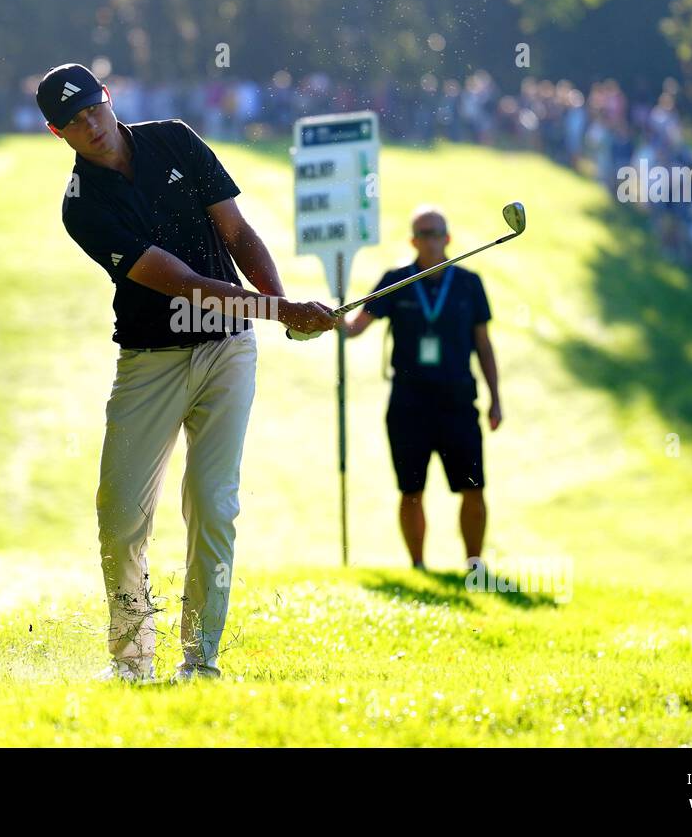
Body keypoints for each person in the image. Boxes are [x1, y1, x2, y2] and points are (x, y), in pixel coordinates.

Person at [36, 63, 336, 684]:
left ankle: (200, 659)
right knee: (120, 516)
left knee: (212, 502)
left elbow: (235, 231)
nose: (89, 124)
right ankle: (132, 661)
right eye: (72, 121)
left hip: (228, 349)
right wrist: (280, 309)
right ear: (55, 132)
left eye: (93, 108)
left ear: (108, 98)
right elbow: (181, 283)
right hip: (151, 360)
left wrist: (279, 307)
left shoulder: (175, 139)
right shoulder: (82, 206)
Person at [339, 206, 502, 570]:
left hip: (459, 401)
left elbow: (484, 345)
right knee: (411, 490)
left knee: (473, 488)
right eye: (423, 234)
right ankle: (417, 565)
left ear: (448, 238)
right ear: (413, 240)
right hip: (409, 404)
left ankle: (474, 565)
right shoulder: (396, 280)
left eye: (436, 233)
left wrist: (495, 399)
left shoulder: (468, 283)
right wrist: (330, 314)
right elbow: (355, 326)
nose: (431, 240)